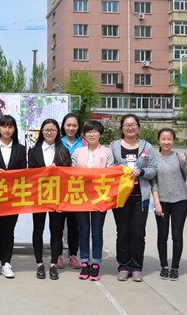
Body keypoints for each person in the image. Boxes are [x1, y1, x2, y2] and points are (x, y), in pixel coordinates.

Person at [109, 114, 158, 282]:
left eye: (133, 125)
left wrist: (141, 171)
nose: (130, 128)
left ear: (138, 127)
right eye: (126, 125)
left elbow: (154, 169)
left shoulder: (147, 147)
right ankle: (123, 266)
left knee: (138, 233)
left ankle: (136, 268)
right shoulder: (114, 146)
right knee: (122, 233)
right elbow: (108, 168)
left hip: (140, 197)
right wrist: (119, 170)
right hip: (121, 197)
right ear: (121, 128)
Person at [29, 118, 72, 281]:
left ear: (57, 132)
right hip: (39, 196)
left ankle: (53, 264)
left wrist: (57, 170)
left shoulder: (63, 151)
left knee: (56, 230)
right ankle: (39, 263)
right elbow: (30, 174)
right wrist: (44, 172)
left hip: (57, 196)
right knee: (38, 229)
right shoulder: (33, 151)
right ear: (42, 132)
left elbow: (68, 174)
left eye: (52, 130)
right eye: (46, 130)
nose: (49, 133)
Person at [72, 120, 114, 281]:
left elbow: (111, 173)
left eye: (95, 131)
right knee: (83, 230)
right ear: (84, 134)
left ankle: (95, 263)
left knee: (97, 231)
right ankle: (84, 262)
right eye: (88, 131)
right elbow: (71, 173)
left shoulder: (107, 152)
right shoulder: (78, 152)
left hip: (99, 198)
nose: (91, 134)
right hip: (81, 197)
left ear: (100, 134)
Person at [151, 128, 187, 281]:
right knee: (162, 235)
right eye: (163, 139)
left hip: (180, 201)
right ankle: (164, 266)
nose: (166, 142)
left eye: (169, 139)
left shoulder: (179, 156)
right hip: (162, 202)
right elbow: (153, 183)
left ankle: (175, 267)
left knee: (177, 235)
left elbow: (184, 175)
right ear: (158, 140)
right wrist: (157, 203)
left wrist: (185, 162)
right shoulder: (154, 159)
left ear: (174, 141)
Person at [0, 115, 27, 279]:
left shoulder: (20, 149)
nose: (7, 130)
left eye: (10, 127)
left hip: (13, 195)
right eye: (4, 126)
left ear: (14, 129)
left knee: (8, 229)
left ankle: (6, 262)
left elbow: (24, 172)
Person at [59, 113, 83, 269]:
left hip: (77, 190)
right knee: (58, 225)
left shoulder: (84, 143)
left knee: (74, 225)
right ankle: (58, 255)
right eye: (68, 125)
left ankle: (73, 255)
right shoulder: (57, 142)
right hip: (59, 190)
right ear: (63, 126)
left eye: (74, 125)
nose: (71, 128)